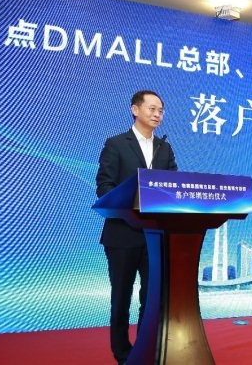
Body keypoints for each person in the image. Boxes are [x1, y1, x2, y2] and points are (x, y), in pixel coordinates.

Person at [95, 90, 178, 365]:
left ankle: (144, 350)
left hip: (155, 236)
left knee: (151, 299)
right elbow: (104, 187)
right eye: (152, 108)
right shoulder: (116, 144)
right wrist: (132, 202)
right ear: (135, 109)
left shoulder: (164, 149)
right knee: (121, 297)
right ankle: (122, 354)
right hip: (122, 234)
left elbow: (174, 188)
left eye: (161, 110)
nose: (157, 114)